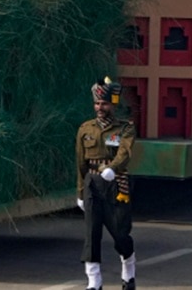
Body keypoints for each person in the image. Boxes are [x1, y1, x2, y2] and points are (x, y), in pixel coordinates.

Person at [76, 78, 137, 290]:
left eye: (104, 104)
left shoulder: (124, 128)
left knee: (120, 232)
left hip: (116, 184)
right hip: (92, 183)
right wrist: (81, 191)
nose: (100, 108)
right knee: (91, 233)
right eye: (97, 104)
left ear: (114, 104)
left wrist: (113, 168)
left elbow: (125, 152)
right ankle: (94, 280)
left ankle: (128, 267)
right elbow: (80, 163)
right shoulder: (85, 129)